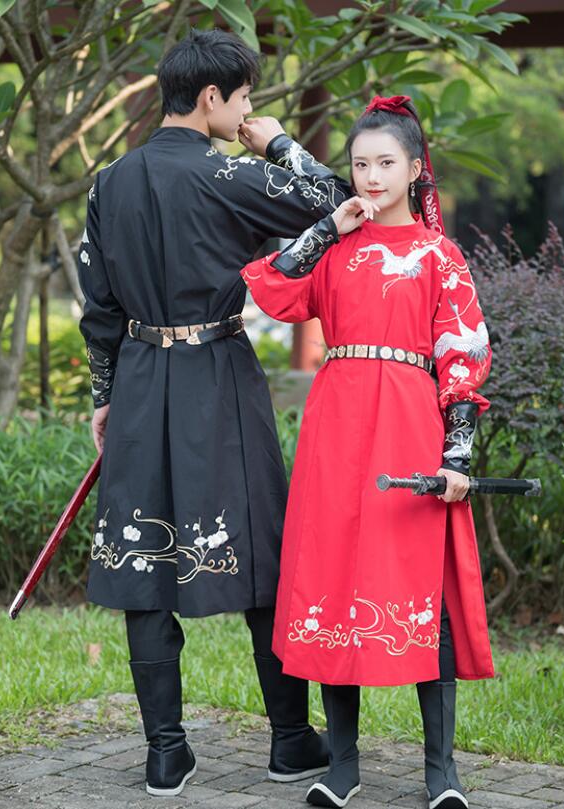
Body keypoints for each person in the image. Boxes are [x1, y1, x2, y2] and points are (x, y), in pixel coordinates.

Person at [76, 28, 353, 798]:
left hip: (137, 381)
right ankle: (290, 740)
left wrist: (104, 396)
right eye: (244, 99)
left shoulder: (108, 182)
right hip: (218, 379)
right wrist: (280, 145)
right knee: (261, 557)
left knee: (143, 564)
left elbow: (97, 307)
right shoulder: (229, 173)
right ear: (210, 99)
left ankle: (166, 753)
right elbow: (341, 203)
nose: (248, 112)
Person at [240, 95, 494, 809]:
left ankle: (440, 771)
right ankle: (342, 765)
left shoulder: (440, 255)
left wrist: (458, 458)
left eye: (386, 163)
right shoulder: (336, 247)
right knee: (331, 581)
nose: (371, 176)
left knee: (419, 591)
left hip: (409, 426)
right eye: (359, 164)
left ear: (415, 169)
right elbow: (269, 291)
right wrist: (325, 226)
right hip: (335, 430)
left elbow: (464, 355)